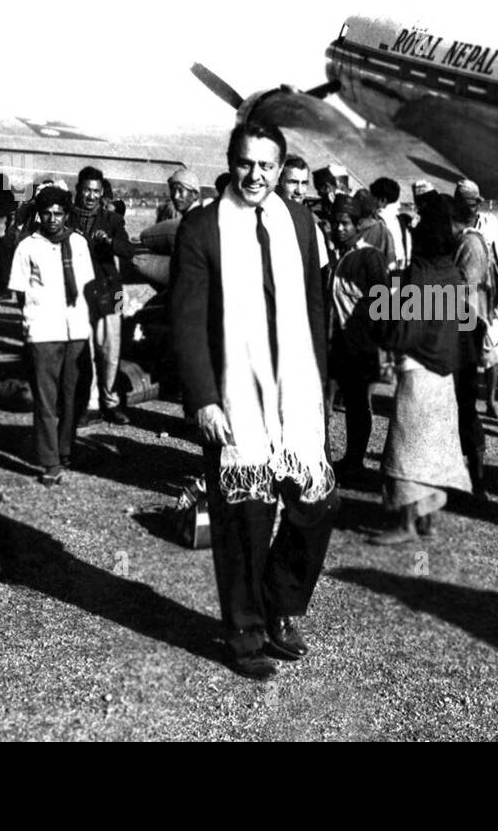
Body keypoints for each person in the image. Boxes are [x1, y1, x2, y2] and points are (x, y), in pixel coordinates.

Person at [170, 120, 335, 680]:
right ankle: (244, 633)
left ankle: (282, 605)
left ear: (281, 167)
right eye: (246, 163)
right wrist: (204, 400)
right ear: (231, 161)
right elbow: (188, 324)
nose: (255, 175)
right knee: (243, 518)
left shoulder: (302, 223)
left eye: (266, 165)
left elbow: (315, 311)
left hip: (294, 393)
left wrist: (319, 387)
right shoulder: (201, 228)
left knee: (315, 506)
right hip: (234, 399)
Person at [369, 195, 472, 544]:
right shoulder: (453, 271)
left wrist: (382, 322)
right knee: (434, 449)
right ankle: (428, 523)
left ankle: (406, 524)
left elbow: (407, 330)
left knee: (407, 448)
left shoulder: (420, 272)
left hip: (417, 369)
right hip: (445, 373)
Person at [8, 184, 96, 485]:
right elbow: (19, 292)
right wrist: (34, 317)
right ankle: (49, 460)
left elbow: (87, 287)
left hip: (76, 328)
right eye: (47, 213)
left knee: (73, 394)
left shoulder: (79, 244)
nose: (53, 219)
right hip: (43, 329)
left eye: (59, 213)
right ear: (39, 215)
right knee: (46, 399)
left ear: (66, 214)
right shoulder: (27, 246)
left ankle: (66, 448)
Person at [327, 195, 389, 484]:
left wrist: (373, 338)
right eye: (335, 223)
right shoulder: (334, 257)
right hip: (335, 343)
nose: (339, 228)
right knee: (328, 403)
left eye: (345, 223)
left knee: (357, 404)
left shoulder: (369, 257)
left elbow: (384, 302)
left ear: (356, 226)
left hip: (360, 345)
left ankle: (355, 460)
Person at [71, 166, 136, 425]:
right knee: (85, 350)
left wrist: (109, 241)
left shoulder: (113, 220)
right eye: (86, 190)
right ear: (78, 190)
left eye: (96, 191)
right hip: (80, 292)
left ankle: (111, 403)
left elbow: (128, 251)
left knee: (111, 348)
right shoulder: (67, 219)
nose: (90, 196)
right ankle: (90, 404)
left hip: (112, 292)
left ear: (102, 193)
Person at [452, 195, 493, 499]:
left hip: (464, 330)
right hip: (460, 328)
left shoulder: (468, 244)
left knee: (465, 406)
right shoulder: (468, 241)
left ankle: (478, 481)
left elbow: (463, 291)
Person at [456, 179, 498, 416]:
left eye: (474, 202)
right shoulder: (454, 227)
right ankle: (466, 402)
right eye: (466, 203)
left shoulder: (491, 224)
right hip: (464, 294)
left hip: (490, 291)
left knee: (492, 348)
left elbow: (497, 258)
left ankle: (492, 400)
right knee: (465, 349)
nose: (471, 207)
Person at [371, 176, 408, 271]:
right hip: (399, 270)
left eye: (373, 197)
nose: (371, 200)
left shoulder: (380, 219)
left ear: (382, 200)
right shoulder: (399, 218)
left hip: (386, 272)